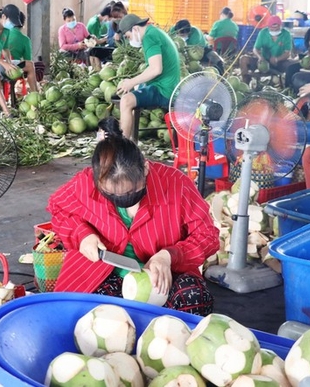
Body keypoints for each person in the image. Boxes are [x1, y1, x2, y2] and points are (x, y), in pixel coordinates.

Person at [46, 117, 219, 316]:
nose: (121, 199)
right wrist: (82, 235)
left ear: (145, 169)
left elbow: (208, 236)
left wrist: (169, 256)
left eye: (130, 192)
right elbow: (59, 209)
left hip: (163, 277)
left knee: (194, 300)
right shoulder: (85, 183)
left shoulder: (176, 184)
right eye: (111, 195)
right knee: (87, 315)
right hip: (104, 273)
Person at [116, 14, 181, 139]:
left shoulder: (149, 37)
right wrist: (135, 83)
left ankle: (121, 148)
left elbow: (156, 69)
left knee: (126, 101)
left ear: (135, 29)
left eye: (128, 36)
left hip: (164, 90)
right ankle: (130, 141)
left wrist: (131, 82)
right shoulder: (154, 32)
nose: (130, 41)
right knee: (134, 93)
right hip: (168, 86)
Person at [240, 15, 296, 82]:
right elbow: (255, 49)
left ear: (281, 26)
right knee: (243, 59)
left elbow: (287, 53)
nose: (275, 30)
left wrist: (277, 59)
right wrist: (260, 57)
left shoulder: (286, 34)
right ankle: (245, 82)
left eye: (277, 29)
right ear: (268, 27)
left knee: (293, 65)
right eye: (272, 29)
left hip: (280, 62)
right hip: (264, 61)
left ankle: (288, 84)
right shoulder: (263, 33)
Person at [7, 11, 39, 93]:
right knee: (31, 66)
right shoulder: (25, 39)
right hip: (13, 67)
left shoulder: (2, 34)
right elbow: (28, 59)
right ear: (22, 25)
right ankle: (34, 92)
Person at [88, 5, 116, 71]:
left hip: (113, 46)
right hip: (93, 45)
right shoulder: (95, 23)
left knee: (94, 52)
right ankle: (97, 72)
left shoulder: (98, 20)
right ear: (107, 15)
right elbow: (95, 41)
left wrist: (106, 39)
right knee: (93, 51)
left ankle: (97, 71)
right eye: (110, 18)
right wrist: (106, 39)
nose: (109, 20)